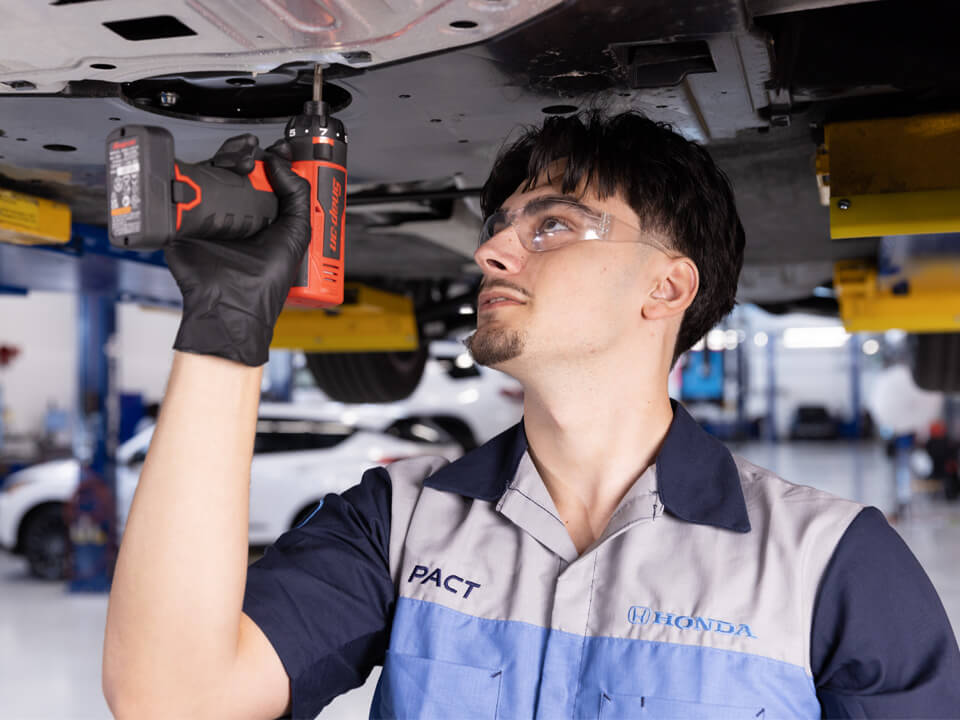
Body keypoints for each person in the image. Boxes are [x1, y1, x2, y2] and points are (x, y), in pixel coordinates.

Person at [102, 112, 960, 719]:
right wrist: (225, 324)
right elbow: (176, 699)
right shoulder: (400, 522)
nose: (491, 249)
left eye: (554, 226)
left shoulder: (833, 565)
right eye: (503, 226)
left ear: (667, 286)